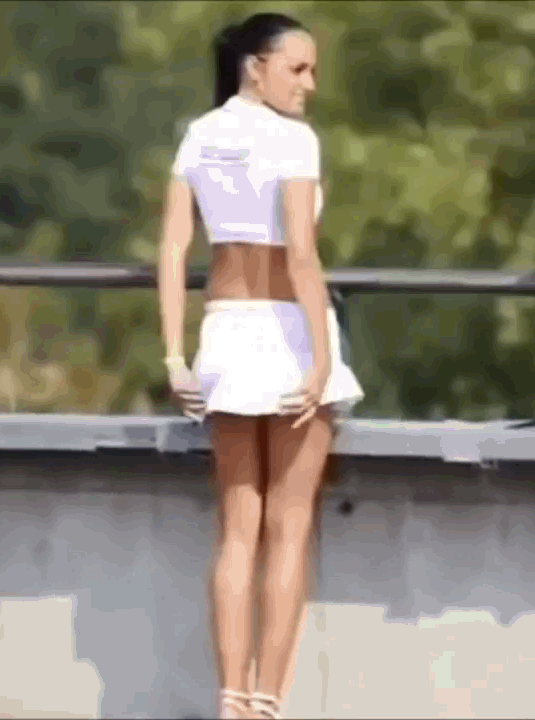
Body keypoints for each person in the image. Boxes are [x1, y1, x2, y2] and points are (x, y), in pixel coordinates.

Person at [158, 13, 365, 719]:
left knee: (236, 531)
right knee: (288, 528)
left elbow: (172, 250)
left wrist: (174, 355)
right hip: (289, 333)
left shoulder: (199, 134)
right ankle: (267, 702)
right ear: (256, 66)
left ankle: (230, 698)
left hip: (224, 332)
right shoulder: (293, 140)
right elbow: (302, 256)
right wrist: (322, 360)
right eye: (297, 69)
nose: (309, 84)